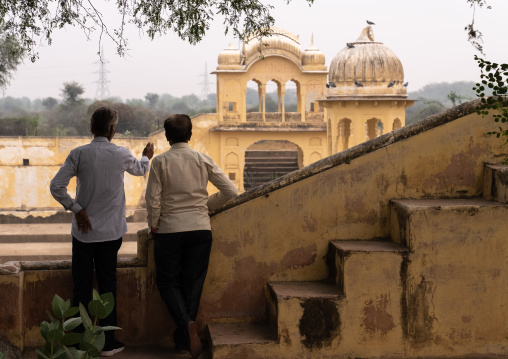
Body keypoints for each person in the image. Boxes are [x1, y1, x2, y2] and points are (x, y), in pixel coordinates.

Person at [50, 106, 154, 357]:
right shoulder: (120, 154)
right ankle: (107, 341)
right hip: (110, 234)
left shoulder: (79, 154)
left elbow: (56, 186)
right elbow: (141, 170)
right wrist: (147, 156)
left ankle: (77, 339)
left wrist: (77, 209)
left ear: (91, 128)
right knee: (108, 286)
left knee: (81, 285)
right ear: (112, 129)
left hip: (83, 234)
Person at [145, 114, 237, 358]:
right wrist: (205, 205)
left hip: (170, 230)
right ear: (190, 134)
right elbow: (231, 191)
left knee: (168, 283)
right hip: (199, 228)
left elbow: (152, 200)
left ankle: (185, 326)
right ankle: (184, 340)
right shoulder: (202, 159)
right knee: (193, 283)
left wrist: (154, 225)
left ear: (167, 136)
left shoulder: (160, 162)